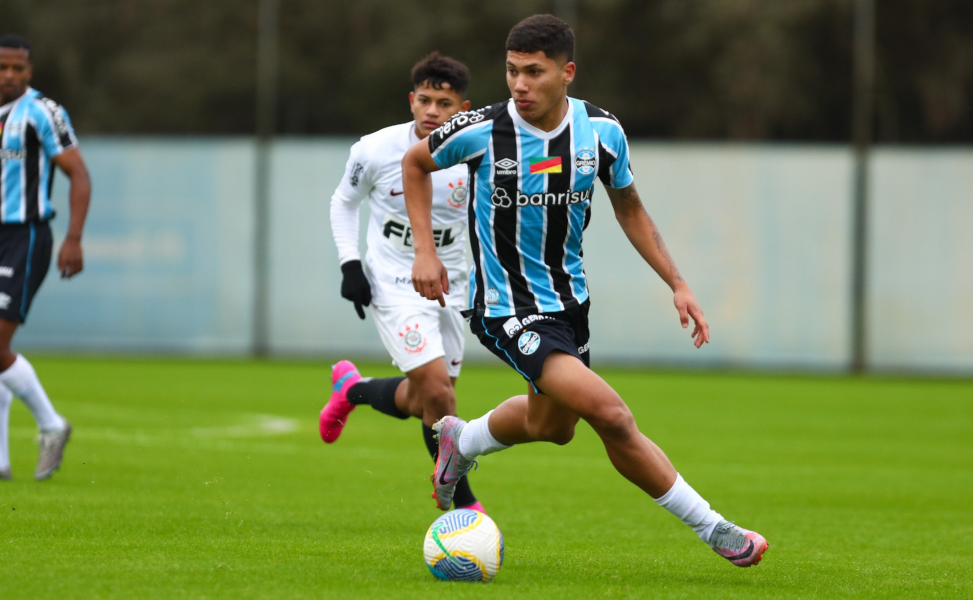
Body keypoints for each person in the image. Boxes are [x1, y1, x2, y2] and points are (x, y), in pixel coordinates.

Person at [402, 15, 768, 567]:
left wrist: (678, 283)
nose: (519, 85)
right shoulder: (480, 129)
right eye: (511, 71)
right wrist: (425, 251)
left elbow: (630, 208)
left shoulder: (601, 132)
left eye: (533, 72)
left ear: (567, 72)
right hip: (505, 309)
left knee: (552, 427)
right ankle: (715, 528)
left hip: (569, 305)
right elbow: (414, 162)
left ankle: (462, 440)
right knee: (611, 414)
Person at [320, 52, 484, 512]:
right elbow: (343, 202)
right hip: (393, 280)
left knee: (425, 399)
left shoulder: (475, 154)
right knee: (438, 391)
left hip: (452, 285)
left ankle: (350, 389)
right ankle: (464, 504)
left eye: (445, 104)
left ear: (463, 109)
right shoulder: (374, 149)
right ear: (412, 101)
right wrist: (350, 264)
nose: (433, 111)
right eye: (426, 100)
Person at [0, 34, 91, 481]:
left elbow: (78, 174)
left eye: (18, 68)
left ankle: (52, 425)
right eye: (1, 67)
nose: (9, 75)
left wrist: (73, 237)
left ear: (29, 72)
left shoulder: (43, 112)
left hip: (25, 236)